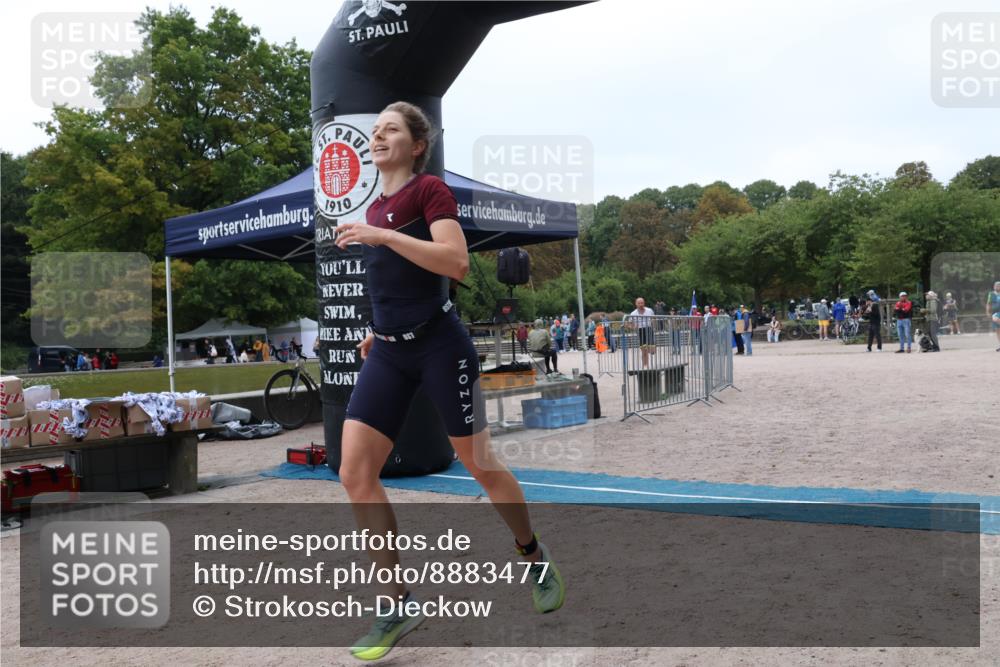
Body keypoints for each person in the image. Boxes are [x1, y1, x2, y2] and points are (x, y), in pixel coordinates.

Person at [331, 101, 565, 660]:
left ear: (416, 145)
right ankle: (395, 604)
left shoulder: (428, 191)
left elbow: (454, 262)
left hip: (441, 347)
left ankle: (533, 556)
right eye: (375, 130)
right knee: (353, 472)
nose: (377, 136)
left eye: (390, 129)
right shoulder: (377, 204)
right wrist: (376, 329)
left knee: (480, 466)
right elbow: (394, 283)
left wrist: (381, 237)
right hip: (388, 351)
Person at [628, 296, 656, 368]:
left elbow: (654, 319)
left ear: (644, 303)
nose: (641, 304)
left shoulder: (649, 310)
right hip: (640, 331)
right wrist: (634, 327)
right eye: (639, 303)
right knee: (644, 351)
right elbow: (630, 324)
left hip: (649, 329)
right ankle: (645, 366)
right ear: (636, 304)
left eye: (642, 303)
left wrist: (654, 325)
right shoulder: (633, 313)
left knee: (651, 350)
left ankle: (651, 350)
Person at [989, 281, 1000, 352]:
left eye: (999, 286)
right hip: (995, 312)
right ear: (994, 287)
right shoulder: (991, 294)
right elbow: (989, 303)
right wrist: (988, 312)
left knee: (996, 319)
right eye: (996, 285)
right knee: (997, 330)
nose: (998, 287)